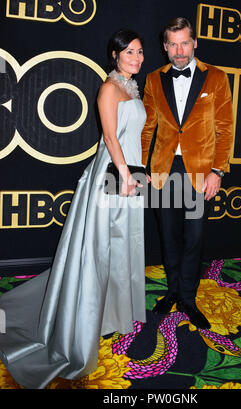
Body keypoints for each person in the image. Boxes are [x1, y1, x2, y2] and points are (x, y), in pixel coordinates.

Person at [0, 29, 146, 389]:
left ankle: (113, 314)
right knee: (101, 246)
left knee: (123, 241)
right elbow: (111, 138)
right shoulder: (109, 89)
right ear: (114, 55)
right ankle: (86, 320)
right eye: (129, 52)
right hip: (114, 173)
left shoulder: (131, 87)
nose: (137, 58)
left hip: (131, 172)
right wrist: (125, 175)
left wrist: (135, 175)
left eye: (140, 52)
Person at [141, 17, 234, 329]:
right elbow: (147, 128)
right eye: (173, 44)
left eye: (184, 43)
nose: (179, 51)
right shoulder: (154, 79)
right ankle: (172, 292)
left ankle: (189, 299)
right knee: (168, 237)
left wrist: (218, 171)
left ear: (195, 43)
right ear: (165, 47)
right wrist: (143, 168)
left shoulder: (217, 77)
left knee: (193, 238)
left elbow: (225, 128)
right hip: (163, 171)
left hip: (199, 171)